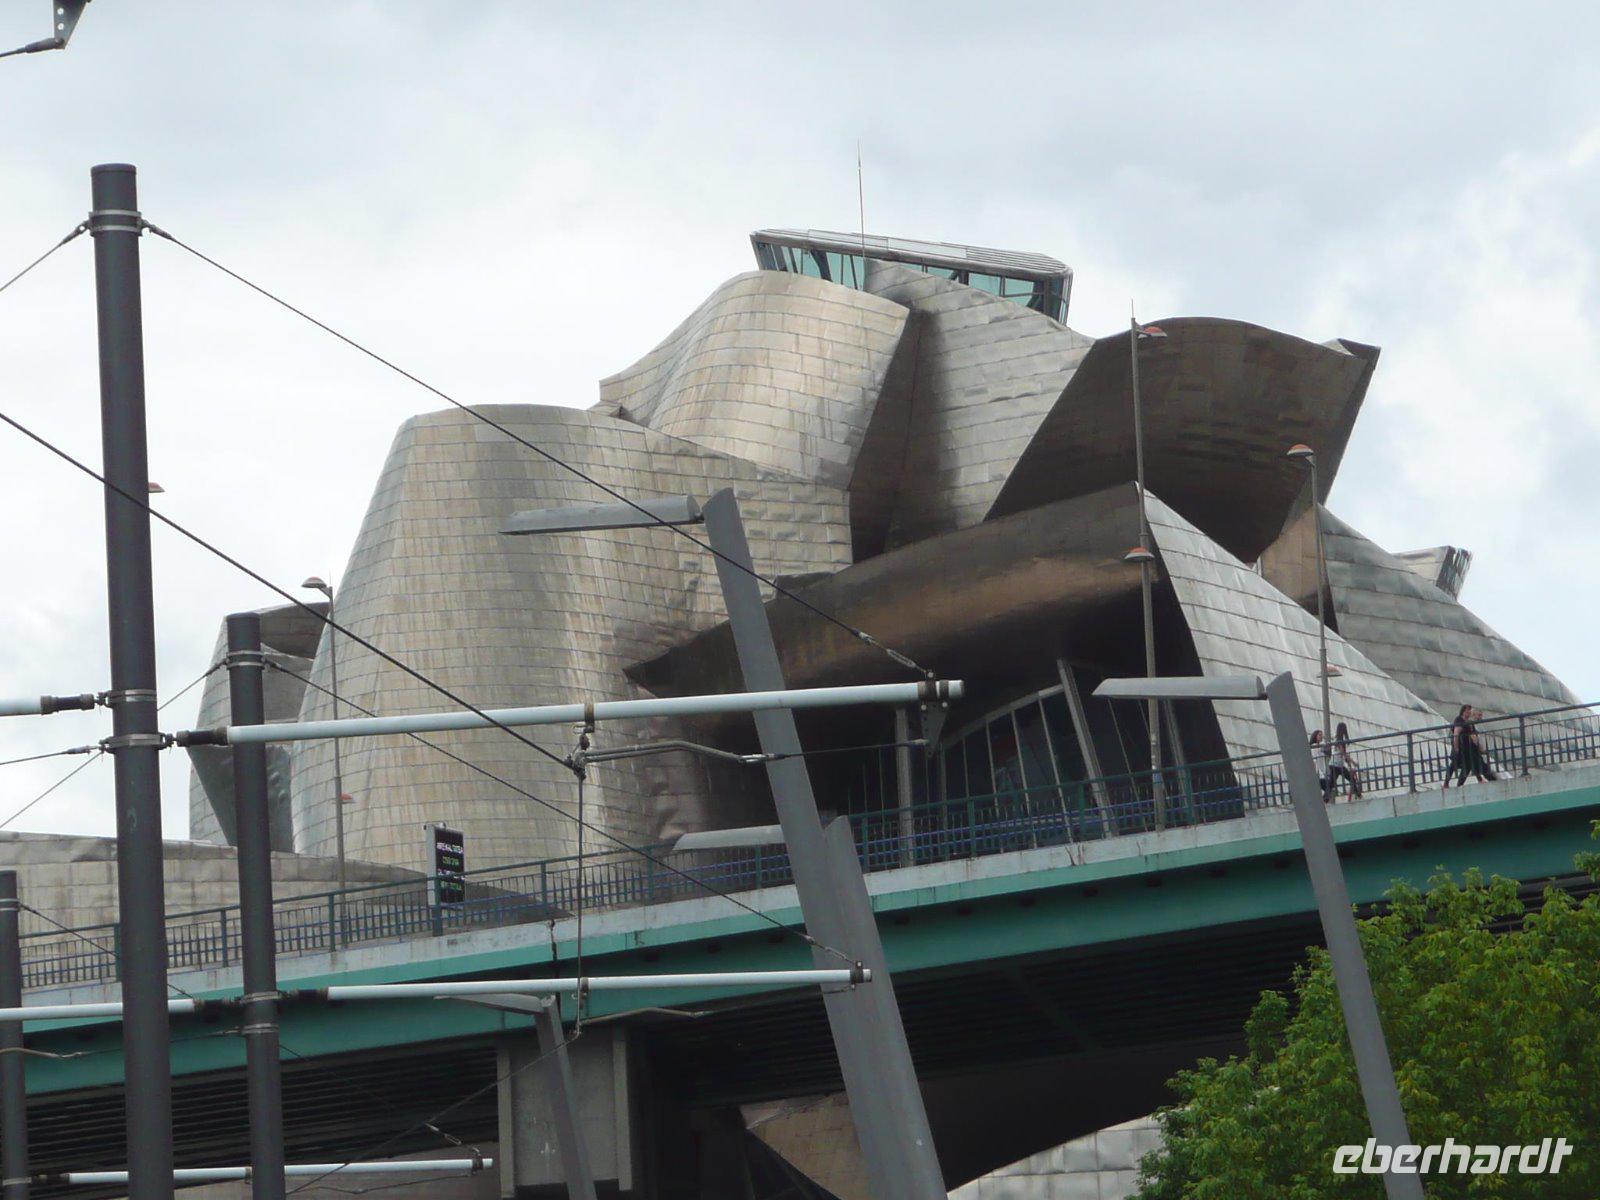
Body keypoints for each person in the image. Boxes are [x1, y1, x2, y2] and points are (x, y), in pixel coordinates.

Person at [1326, 721, 1363, 801]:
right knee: (1350, 779)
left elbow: (1343, 755)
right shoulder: (1339, 741)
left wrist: (1349, 764)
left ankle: (1325, 799)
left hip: (1335, 765)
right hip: (1337, 766)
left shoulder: (1336, 738)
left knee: (1332, 784)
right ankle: (1359, 795)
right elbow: (1344, 753)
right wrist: (1353, 763)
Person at [1465, 706, 1499, 782]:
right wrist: (1481, 748)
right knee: (1483, 767)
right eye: (1479, 715)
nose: (1481, 717)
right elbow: (1474, 738)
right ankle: (1493, 781)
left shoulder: (1469, 723)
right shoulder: (1470, 724)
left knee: (1476, 766)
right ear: (1473, 715)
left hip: (1470, 751)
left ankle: (1481, 779)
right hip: (1472, 751)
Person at [1443, 704, 1470, 789]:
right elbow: (1456, 734)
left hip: (1465, 748)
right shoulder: (1459, 720)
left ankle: (1458, 784)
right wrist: (1456, 747)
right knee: (1455, 764)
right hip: (1460, 746)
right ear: (1463, 711)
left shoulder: (1467, 721)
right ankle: (1447, 783)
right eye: (1468, 710)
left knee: (1466, 765)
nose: (1469, 712)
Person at [1309, 728, 1331, 801]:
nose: (1321, 736)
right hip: (1317, 771)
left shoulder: (1320, 746)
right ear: (1315, 736)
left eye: (1322, 735)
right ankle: (1324, 800)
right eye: (1319, 735)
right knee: (1326, 786)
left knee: (1327, 787)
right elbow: (1315, 757)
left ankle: (1323, 800)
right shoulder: (1314, 746)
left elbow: (1326, 753)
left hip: (1321, 770)